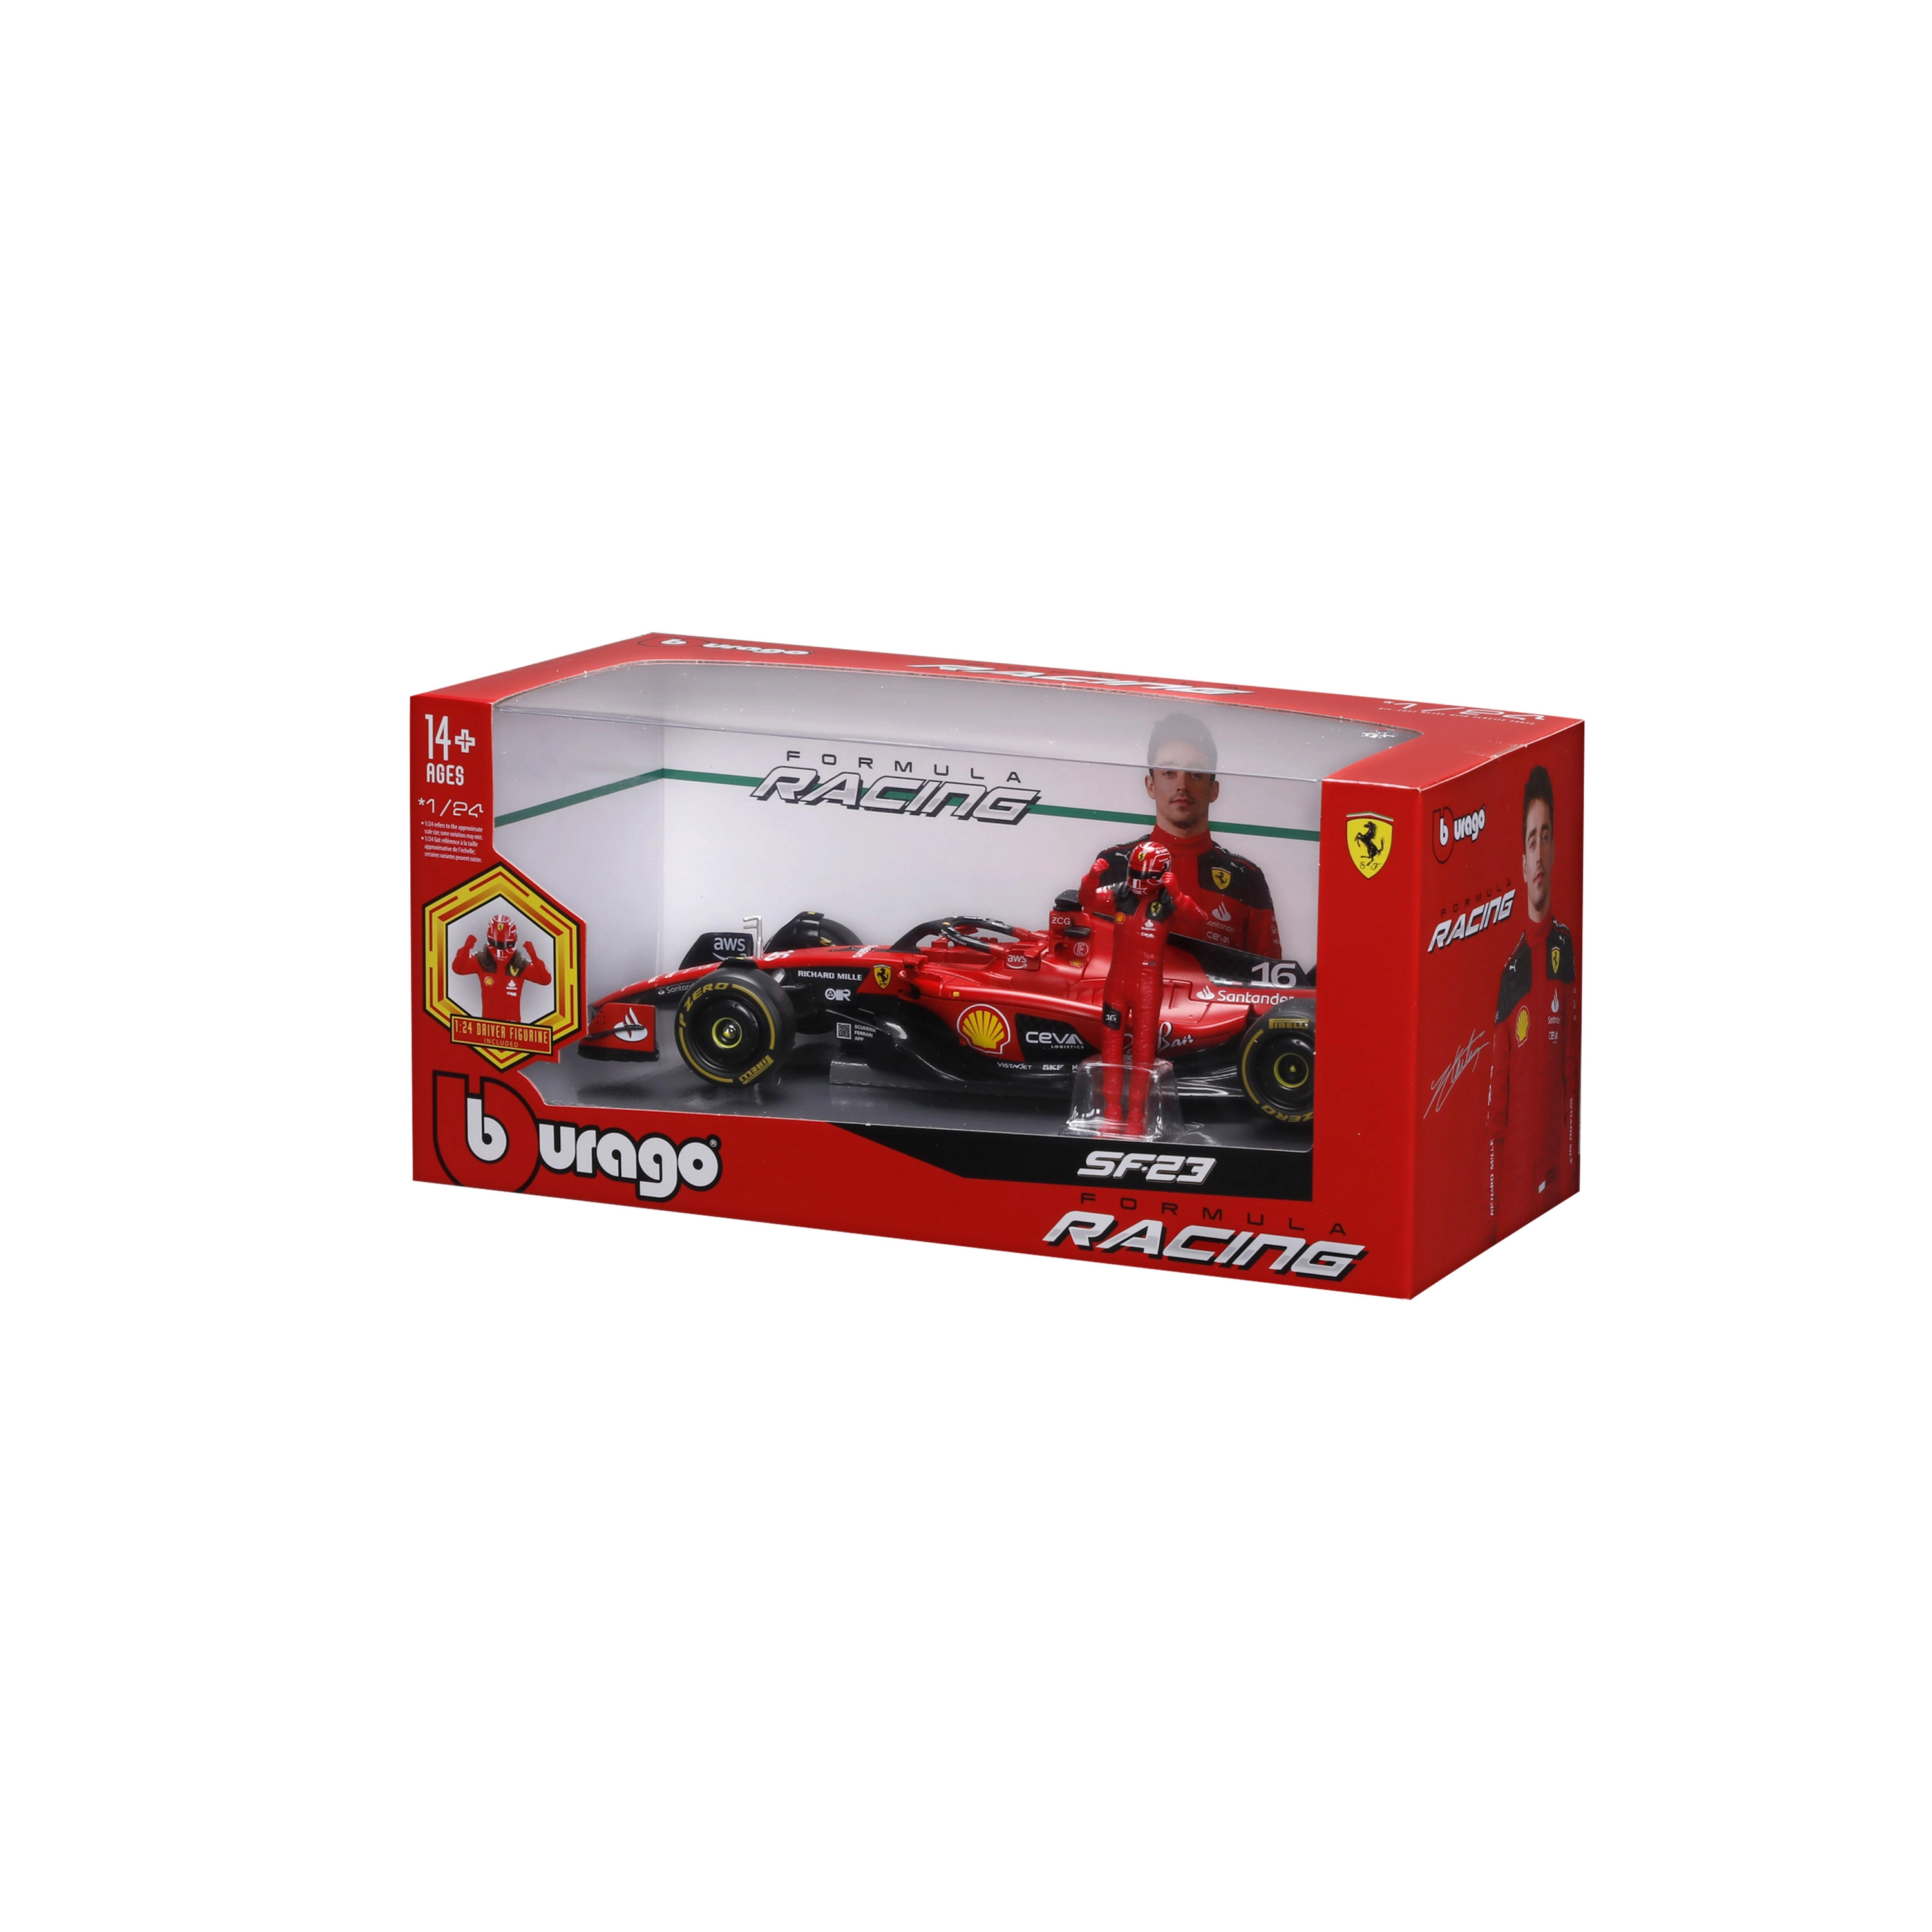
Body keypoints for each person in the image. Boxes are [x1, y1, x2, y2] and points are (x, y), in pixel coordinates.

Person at [1078, 713, 1282, 957]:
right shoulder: (1113, 864)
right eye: (1169, 772)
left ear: (1213, 789)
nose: (1182, 786)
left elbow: (1269, 976)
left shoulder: (1246, 878)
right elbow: (1086, 956)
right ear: (1151, 785)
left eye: (1196, 774)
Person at [1486, 766, 1579, 1238]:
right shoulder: (1510, 973)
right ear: (1523, 863)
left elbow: (1573, 1075)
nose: (1539, 854)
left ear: (1555, 848)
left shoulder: (1567, 947)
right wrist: (1494, 1212)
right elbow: (1496, 1113)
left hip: (1561, 1189)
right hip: (1516, 1197)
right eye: (1531, 841)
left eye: (1545, 837)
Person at [1090, 838, 1177, 1134]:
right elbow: (1088, 900)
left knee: (1143, 1051)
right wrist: (1091, 878)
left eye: (1145, 875)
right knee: (1111, 1047)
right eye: (1135, 873)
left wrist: (1177, 892)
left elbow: (1198, 919)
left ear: (1163, 874)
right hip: (1116, 983)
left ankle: (1138, 1115)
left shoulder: (1170, 902)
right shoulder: (1121, 893)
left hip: (1148, 986)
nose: (1139, 881)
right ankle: (1112, 1111)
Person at [453, 914, 552, 1023]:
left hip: (513, 1027)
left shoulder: (520, 965)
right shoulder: (482, 961)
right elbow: (458, 969)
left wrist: (535, 958)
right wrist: (465, 950)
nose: (500, 950)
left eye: (505, 945)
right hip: (488, 1025)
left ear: (513, 941)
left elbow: (546, 980)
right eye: (497, 944)